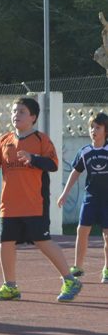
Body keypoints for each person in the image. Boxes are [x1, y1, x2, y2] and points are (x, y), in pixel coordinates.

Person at [0, 97, 82, 302]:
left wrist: (33, 159)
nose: (16, 115)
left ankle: (70, 280)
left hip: (34, 203)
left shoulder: (41, 140)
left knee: (43, 241)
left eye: (22, 112)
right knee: (6, 243)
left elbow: (53, 165)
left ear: (33, 117)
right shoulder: (5, 140)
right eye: (14, 111)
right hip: (8, 205)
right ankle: (10, 287)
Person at [57, 112, 108, 283]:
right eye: (92, 127)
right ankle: (78, 267)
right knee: (81, 231)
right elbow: (75, 173)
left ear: (105, 131)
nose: (94, 130)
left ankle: (107, 269)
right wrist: (65, 194)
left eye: (98, 128)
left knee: (107, 235)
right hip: (91, 198)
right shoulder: (85, 152)